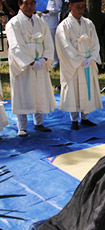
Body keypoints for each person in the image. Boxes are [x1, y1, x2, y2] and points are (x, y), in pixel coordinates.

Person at [5, 0, 56, 137]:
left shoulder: (41, 23)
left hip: (40, 62)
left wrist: (44, 59)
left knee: (39, 92)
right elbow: (16, 46)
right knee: (22, 92)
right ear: (20, 4)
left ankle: (39, 123)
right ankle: (22, 126)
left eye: (31, 3)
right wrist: (30, 62)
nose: (29, 7)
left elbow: (49, 43)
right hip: (23, 65)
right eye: (26, 3)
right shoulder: (13, 23)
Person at [55, 0, 102, 130]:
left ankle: (85, 117)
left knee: (87, 89)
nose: (81, 10)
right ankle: (74, 119)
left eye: (83, 7)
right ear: (70, 7)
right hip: (74, 64)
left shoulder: (89, 23)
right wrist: (79, 60)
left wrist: (92, 57)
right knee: (73, 89)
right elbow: (65, 47)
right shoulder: (63, 26)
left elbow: (95, 42)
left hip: (87, 61)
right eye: (78, 7)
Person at [41, 0, 62, 68]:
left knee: (53, 42)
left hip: (52, 22)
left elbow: (59, 8)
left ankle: (55, 61)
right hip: (43, 21)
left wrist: (49, 11)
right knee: (44, 42)